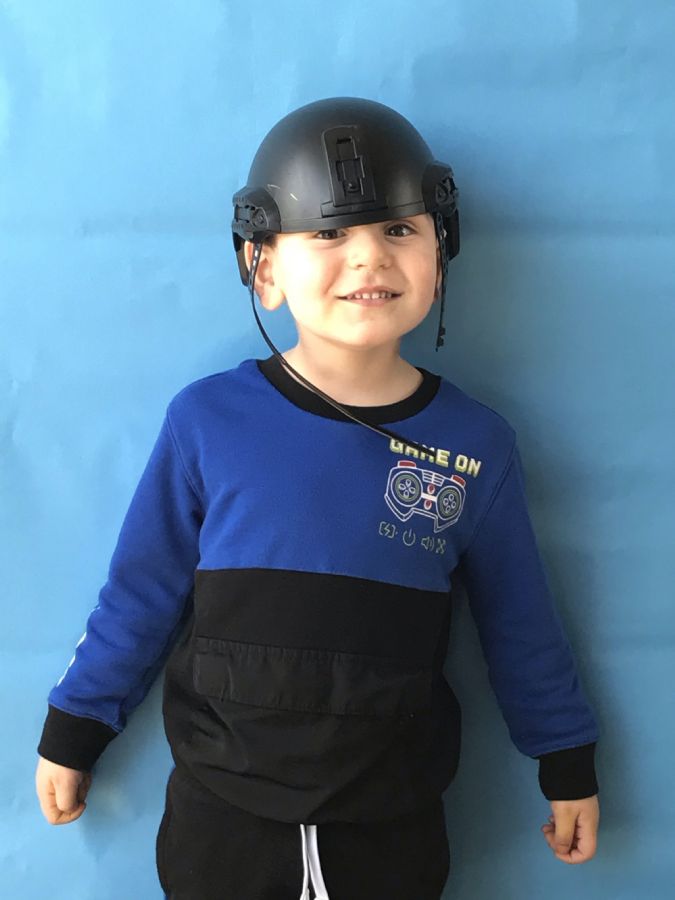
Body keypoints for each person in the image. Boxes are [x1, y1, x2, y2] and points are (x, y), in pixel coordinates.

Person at [35, 97, 600, 899]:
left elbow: (520, 622)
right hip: (221, 817)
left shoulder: (476, 444)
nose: (368, 257)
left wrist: (564, 758)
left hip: (393, 819)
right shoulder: (208, 421)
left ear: (442, 254)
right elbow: (140, 594)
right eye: (329, 234)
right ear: (262, 269)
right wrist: (75, 728)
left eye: (397, 229)